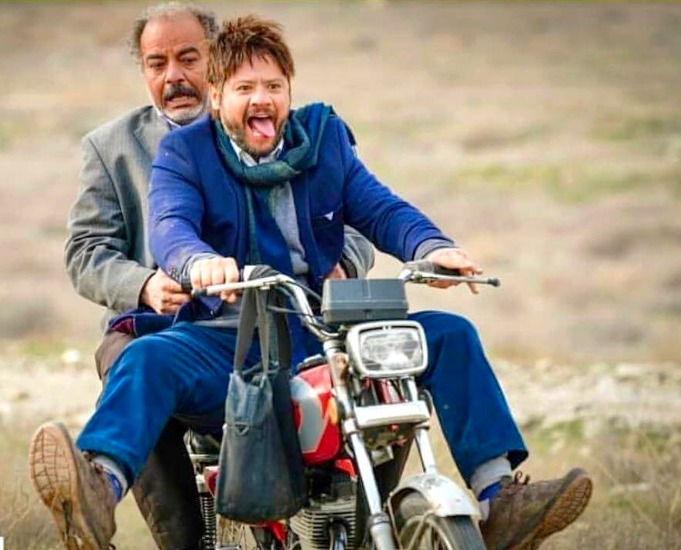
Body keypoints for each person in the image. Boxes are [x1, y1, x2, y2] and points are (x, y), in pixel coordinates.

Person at [30, 15, 592, 550]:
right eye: (245, 88)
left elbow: (380, 209)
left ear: (289, 92)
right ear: (217, 96)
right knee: (145, 358)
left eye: (273, 86)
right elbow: (170, 225)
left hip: (322, 330)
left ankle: (498, 498)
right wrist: (197, 261)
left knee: (450, 335)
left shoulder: (322, 140)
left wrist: (432, 247)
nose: (261, 100)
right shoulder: (185, 151)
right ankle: (98, 488)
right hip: (232, 339)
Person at [57, 3, 374, 549]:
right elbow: (86, 252)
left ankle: (371, 517)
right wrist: (142, 285)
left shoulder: (276, 131)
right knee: (133, 364)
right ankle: (158, 527)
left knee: (374, 376)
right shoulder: (111, 148)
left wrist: (341, 262)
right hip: (155, 318)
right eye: (157, 63)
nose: (174, 76)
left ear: (218, 61)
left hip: (277, 312)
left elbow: (355, 215)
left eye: (189, 58)